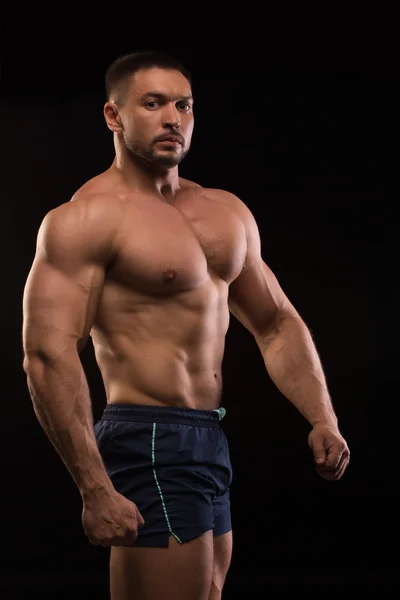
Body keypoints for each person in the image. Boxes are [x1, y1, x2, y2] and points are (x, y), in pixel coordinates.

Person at [22, 50, 350, 600]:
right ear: (114, 116)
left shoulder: (224, 212)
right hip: (147, 438)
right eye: (153, 103)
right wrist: (94, 487)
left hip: (208, 437)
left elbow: (275, 322)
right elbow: (47, 354)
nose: (173, 117)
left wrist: (323, 416)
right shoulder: (86, 218)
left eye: (184, 105)